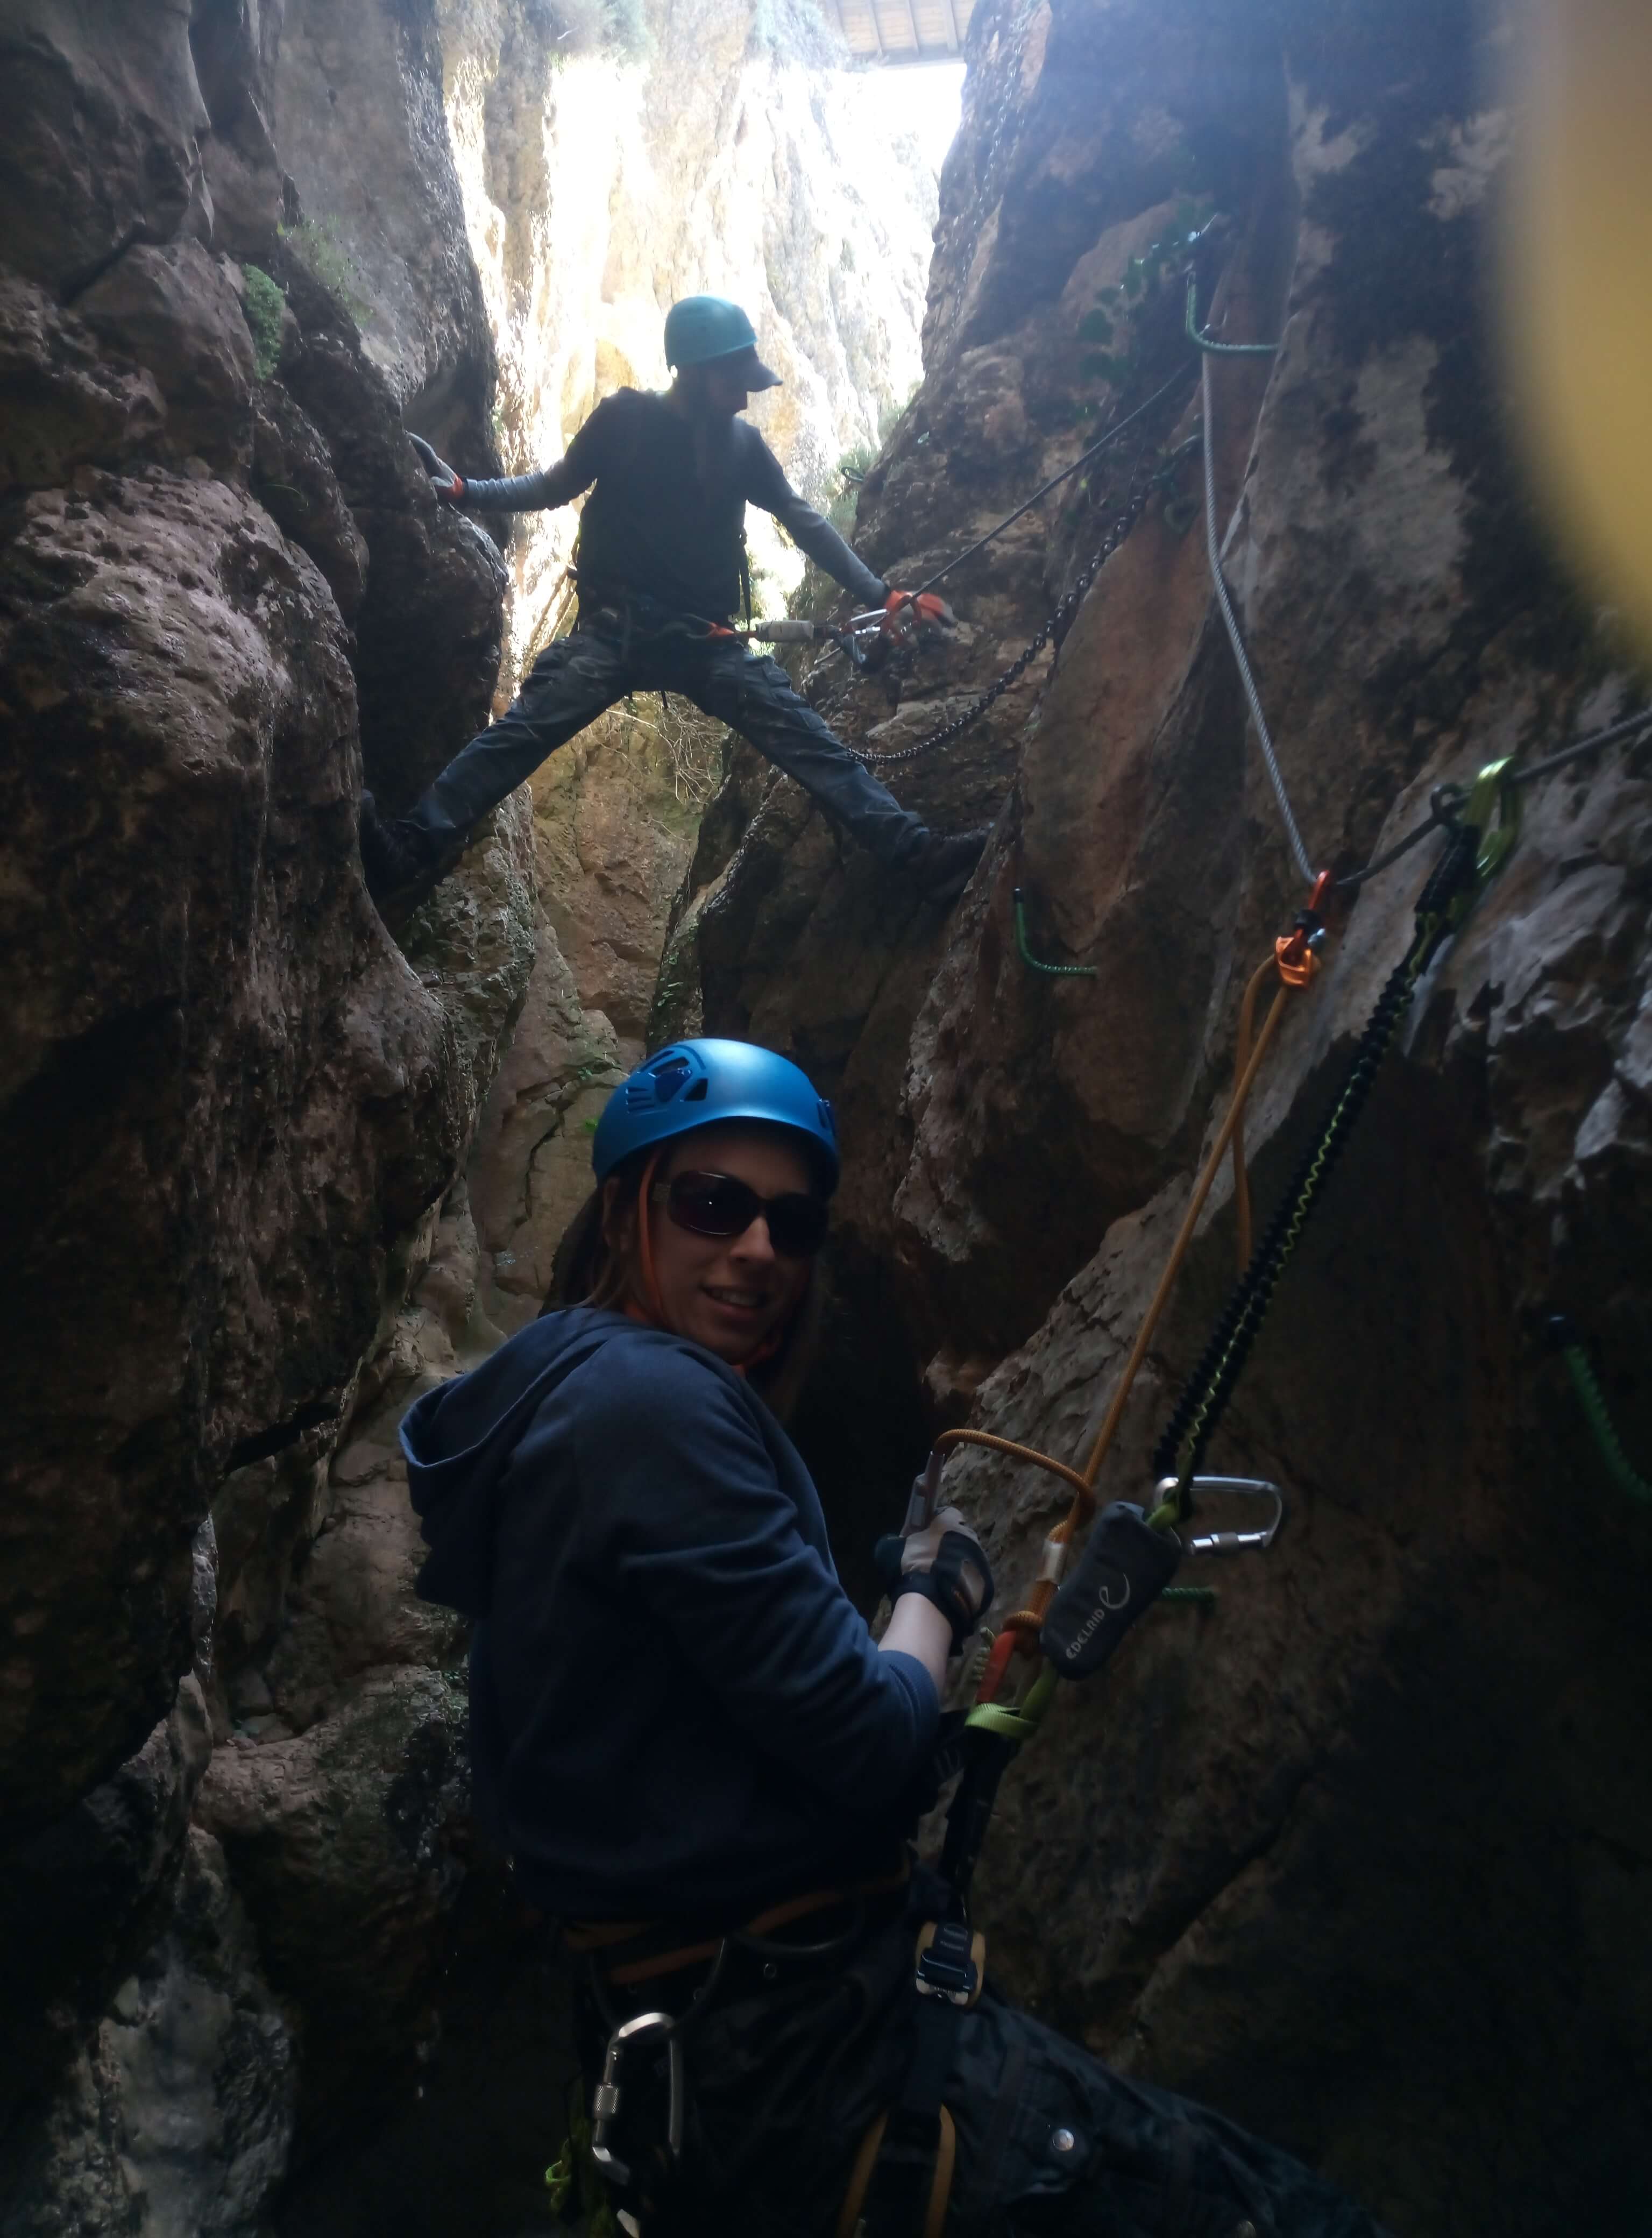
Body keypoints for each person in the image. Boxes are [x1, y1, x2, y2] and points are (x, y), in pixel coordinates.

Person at [401, 1038, 1390, 2238]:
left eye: (792, 1223)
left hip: (708, 2065)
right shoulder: (654, 1407)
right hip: (816, 2061)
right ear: (626, 1209)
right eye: (714, 1204)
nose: (757, 1247)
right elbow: (876, 1742)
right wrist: (937, 1591)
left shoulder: (560, 1389)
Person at [359, 297, 988, 903]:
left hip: (704, 641)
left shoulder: (742, 447)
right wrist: (468, 491)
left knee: (809, 741)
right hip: (616, 630)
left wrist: (883, 594)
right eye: (733, 381)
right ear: (692, 370)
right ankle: (407, 850)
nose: (744, 398)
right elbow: (553, 486)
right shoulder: (623, 419)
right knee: (520, 734)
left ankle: (919, 857)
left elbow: (804, 522)